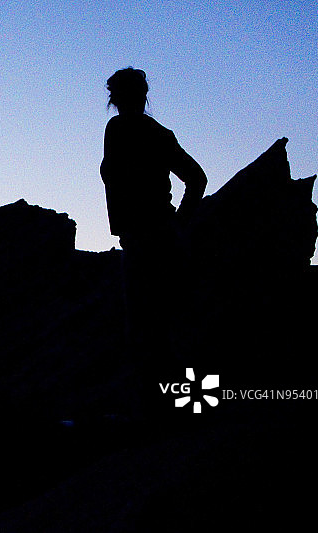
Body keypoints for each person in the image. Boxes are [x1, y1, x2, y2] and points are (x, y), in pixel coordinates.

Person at [99, 67, 207, 415]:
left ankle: (158, 413)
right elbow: (197, 179)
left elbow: (197, 179)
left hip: (145, 240)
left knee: (146, 331)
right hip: (161, 237)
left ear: (116, 97)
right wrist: (178, 224)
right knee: (170, 328)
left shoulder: (117, 129)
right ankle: (187, 409)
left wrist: (176, 224)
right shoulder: (160, 133)